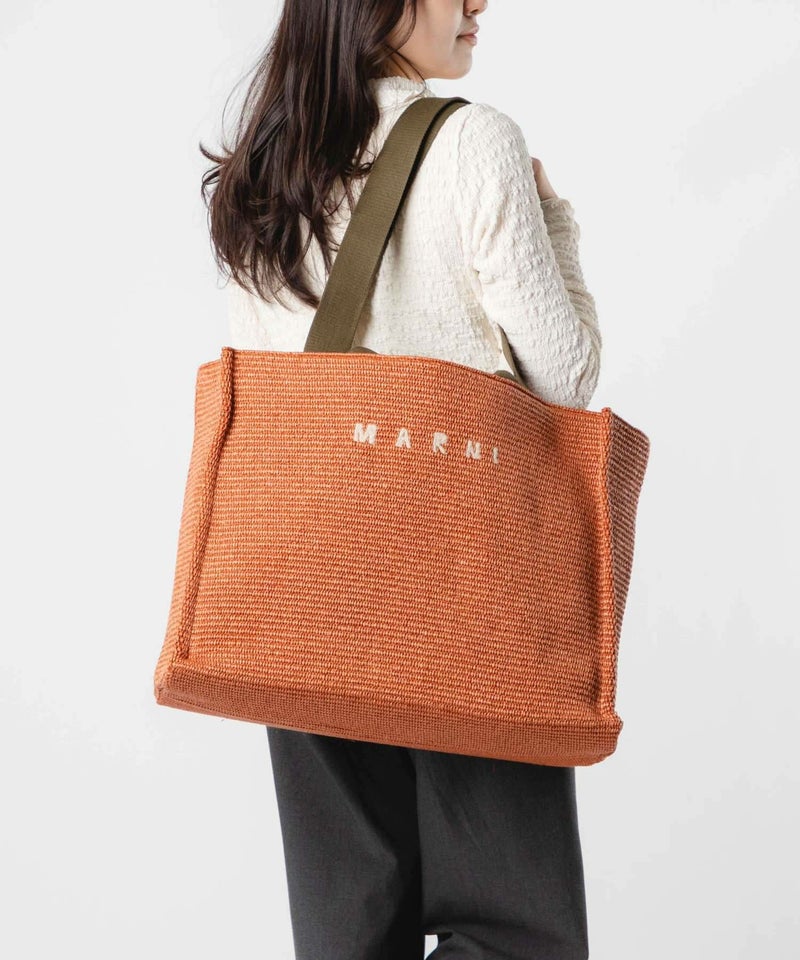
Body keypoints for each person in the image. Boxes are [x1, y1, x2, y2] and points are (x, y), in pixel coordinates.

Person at [201, 2, 602, 958]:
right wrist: (556, 223)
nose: (480, 2)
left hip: (299, 584)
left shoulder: (267, 164)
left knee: (348, 930)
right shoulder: (473, 141)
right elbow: (569, 376)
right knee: (514, 930)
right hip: (460, 582)